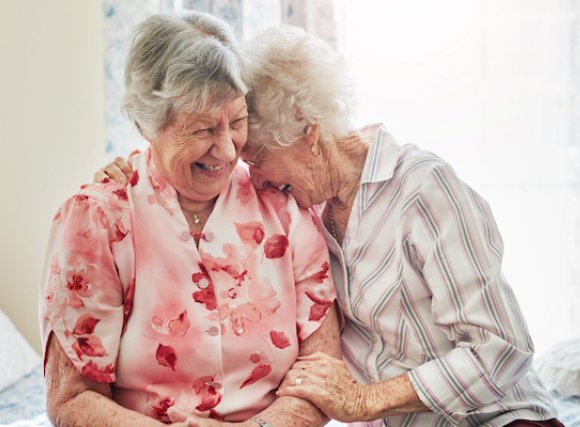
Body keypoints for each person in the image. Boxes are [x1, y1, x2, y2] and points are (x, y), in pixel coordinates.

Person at [98, 23, 562, 426]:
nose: (251, 175)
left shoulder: (423, 188)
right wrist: (140, 173)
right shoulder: (301, 210)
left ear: (306, 128)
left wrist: (364, 400)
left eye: (256, 156)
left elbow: (503, 348)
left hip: (497, 419)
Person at [40, 13, 340, 427]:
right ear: (149, 124)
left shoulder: (282, 206)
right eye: (201, 130)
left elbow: (323, 369)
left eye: (235, 122)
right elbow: (72, 399)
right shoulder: (98, 220)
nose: (226, 150)